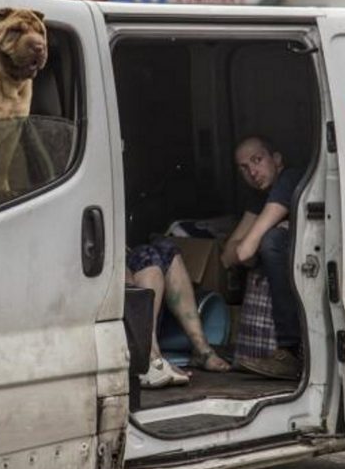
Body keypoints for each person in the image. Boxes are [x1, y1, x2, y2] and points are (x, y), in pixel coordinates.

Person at [221, 137, 303, 380]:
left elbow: (244, 251)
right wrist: (248, 248)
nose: (252, 172)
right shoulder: (259, 197)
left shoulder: (289, 179)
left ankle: (290, 351)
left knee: (271, 241)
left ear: (276, 159)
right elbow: (227, 256)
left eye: (257, 160)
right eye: (244, 168)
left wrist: (251, 245)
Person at [127, 239, 231, 389]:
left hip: (149, 317)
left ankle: (202, 350)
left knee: (167, 250)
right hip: (128, 328)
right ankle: (150, 358)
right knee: (146, 259)